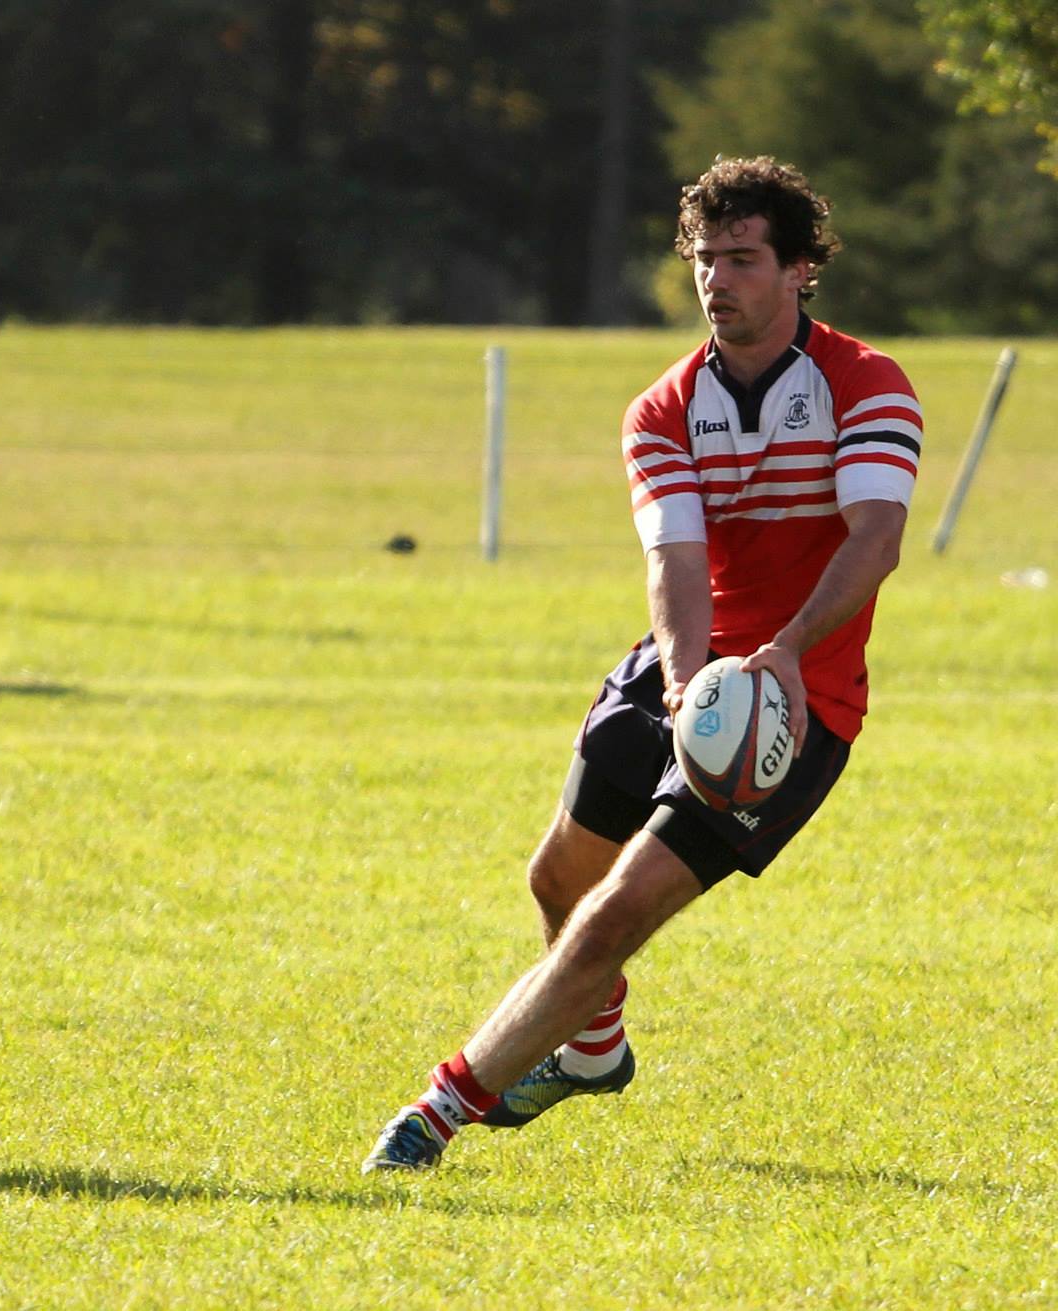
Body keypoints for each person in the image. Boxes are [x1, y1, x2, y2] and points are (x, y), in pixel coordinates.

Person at [363, 157, 922, 1171]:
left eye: (744, 259)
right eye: (704, 260)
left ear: (799, 270)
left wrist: (783, 659)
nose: (718, 279)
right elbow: (670, 559)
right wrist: (680, 680)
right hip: (681, 670)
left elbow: (872, 538)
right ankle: (591, 1053)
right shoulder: (660, 410)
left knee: (608, 921)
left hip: (799, 703)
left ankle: (430, 1119)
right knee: (556, 882)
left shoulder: (865, 384)